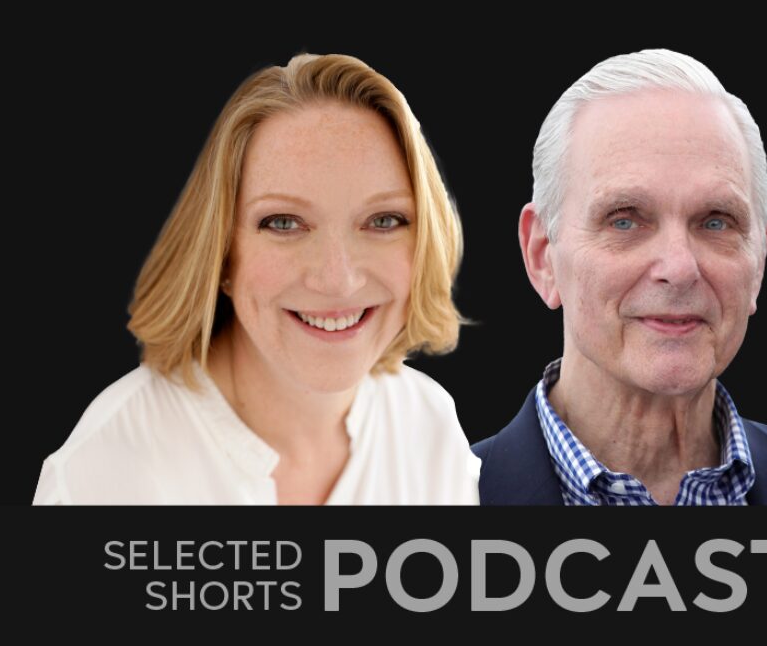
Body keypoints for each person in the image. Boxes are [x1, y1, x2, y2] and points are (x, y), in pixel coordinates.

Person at [471, 48, 767, 505]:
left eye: (716, 221)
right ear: (543, 255)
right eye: (625, 220)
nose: (680, 268)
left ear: (759, 260)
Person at [33, 52, 480, 505]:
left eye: (384, 220)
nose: (338, 280)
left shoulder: (430, 427)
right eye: (284, 223)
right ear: (222, 254)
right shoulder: (106, 471)